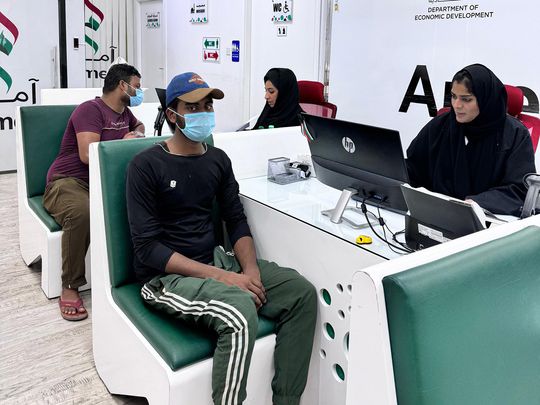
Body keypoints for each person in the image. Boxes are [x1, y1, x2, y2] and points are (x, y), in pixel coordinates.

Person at [125, 72, 317, 405]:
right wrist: (227, 278)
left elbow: (236, 220)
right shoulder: (145, 165)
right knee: (240, 312)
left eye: (208, 104)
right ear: (173, 114)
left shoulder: (217, 159)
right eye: (194, 106)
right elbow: (148, 249)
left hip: (215, 258)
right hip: (165, 278)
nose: (204, 112)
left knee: (301, 294)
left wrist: (251, 271)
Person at [44, 63, 145, 321]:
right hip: (67, 182)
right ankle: (70, 285)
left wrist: (136, 133)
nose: (139, 91)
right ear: (123, 85)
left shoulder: (124, 113)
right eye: (136, 85)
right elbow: (88, 154)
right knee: (82, 212)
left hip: (102, 183)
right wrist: (123, 143)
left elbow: (140, 127)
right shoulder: (91, 109)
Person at [406, 63, 536, 216]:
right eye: (453, 96)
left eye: (466, 99)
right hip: (435, 215)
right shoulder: (441, 125)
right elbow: (414, 168)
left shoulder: (515, 134)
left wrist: (477, 203)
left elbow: (519, 190)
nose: (456, 105)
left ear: (485, 99)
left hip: (488, 224)